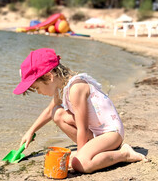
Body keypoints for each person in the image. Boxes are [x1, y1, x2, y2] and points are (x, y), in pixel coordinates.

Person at [13, 48, 147, 173]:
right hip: (95, 132)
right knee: (57, 113)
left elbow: (82, 127)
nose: (39, 92)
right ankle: (90, 149)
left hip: (111, 134)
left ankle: (124, 154)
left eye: (37, 88)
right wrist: (31, 131)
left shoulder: (76, 89)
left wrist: (79, 154)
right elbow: (49, 111)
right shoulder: (60, 88)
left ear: (49, 77)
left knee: (80, 164)